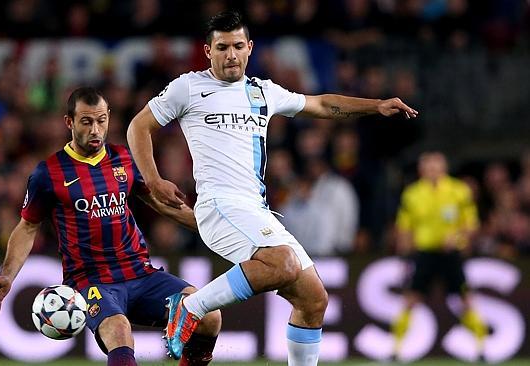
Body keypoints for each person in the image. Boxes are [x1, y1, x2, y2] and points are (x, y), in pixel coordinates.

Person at [126, 10, 418, 364]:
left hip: (255, 209)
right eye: (221, 47)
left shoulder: (264, 91)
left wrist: (376, 105)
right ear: (208, 51)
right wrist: (154, 180)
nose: (230, 54)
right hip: (220, 205)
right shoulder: (188, 87)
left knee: (313, 300)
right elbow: (138, 127)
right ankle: (190, 306)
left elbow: (322, 104)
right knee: (283, 262)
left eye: (237, 46)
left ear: (249, 48)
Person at [0, 87, 221, 366]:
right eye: (86, 121)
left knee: (209, 316)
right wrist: (8, 275)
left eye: (101, 121)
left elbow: (159, 203)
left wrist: (215, 230)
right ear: (69, 122)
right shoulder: (49, 173)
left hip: (141, 273)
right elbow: (27, 227)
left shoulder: (124, 159)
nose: (95, 129)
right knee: (119, 330)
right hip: (92, 282)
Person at [391, 151, 487, 358]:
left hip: (451, 254)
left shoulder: (459, 191)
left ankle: (481, 348)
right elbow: (404, 227)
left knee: (465, 298)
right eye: (428, 167)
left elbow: (471, 224)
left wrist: (458, 238)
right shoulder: (412, 194)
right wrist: (404, 254)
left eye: (436, 167)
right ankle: (396, 350)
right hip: (425, 254)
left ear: (444, 169)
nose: (432, 171)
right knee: (411, 298)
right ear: (421, 170)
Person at [280, 155, 359, 257]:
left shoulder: (325, 209)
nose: (301, 191)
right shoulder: (287, 210)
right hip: (297, 258)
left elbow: (325, 240)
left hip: (323, 256)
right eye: (299, 187)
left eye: (305, 187)